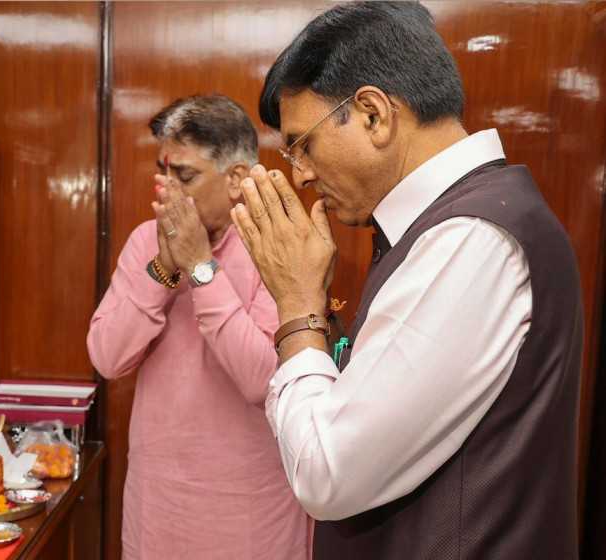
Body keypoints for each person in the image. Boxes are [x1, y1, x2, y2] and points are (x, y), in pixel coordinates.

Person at [230, 3, 582, 558]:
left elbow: (329, 472)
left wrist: (298, 308)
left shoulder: (471, 239)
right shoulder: (444, 228)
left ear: (373, 113)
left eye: (303, 144)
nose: (300, 173)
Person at [87, 94, 308, 559]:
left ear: (236, 181)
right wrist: (163, 272)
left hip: (250, 512)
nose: (165, 191)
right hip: (160, 506)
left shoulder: (280, 244)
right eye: (162, 172)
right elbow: (107, 358)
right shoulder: (145, 242)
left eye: (183, 176)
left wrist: (201, 268)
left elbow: (262, 379)